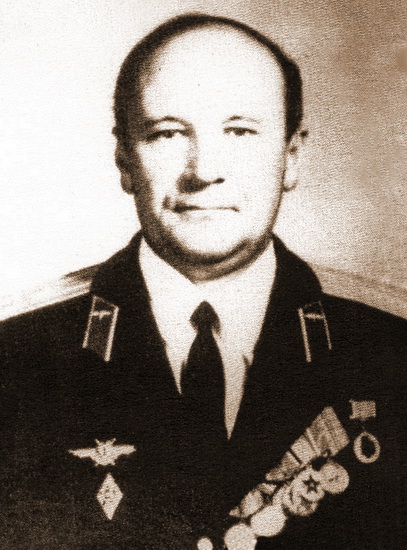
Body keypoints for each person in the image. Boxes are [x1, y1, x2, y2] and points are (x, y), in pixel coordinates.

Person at [0, 13, 406, 550]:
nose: (204, 170)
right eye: (167, 133)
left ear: (290, 156)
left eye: (240, 131)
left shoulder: (390, 349)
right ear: (124, 159)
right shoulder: (16, 356)